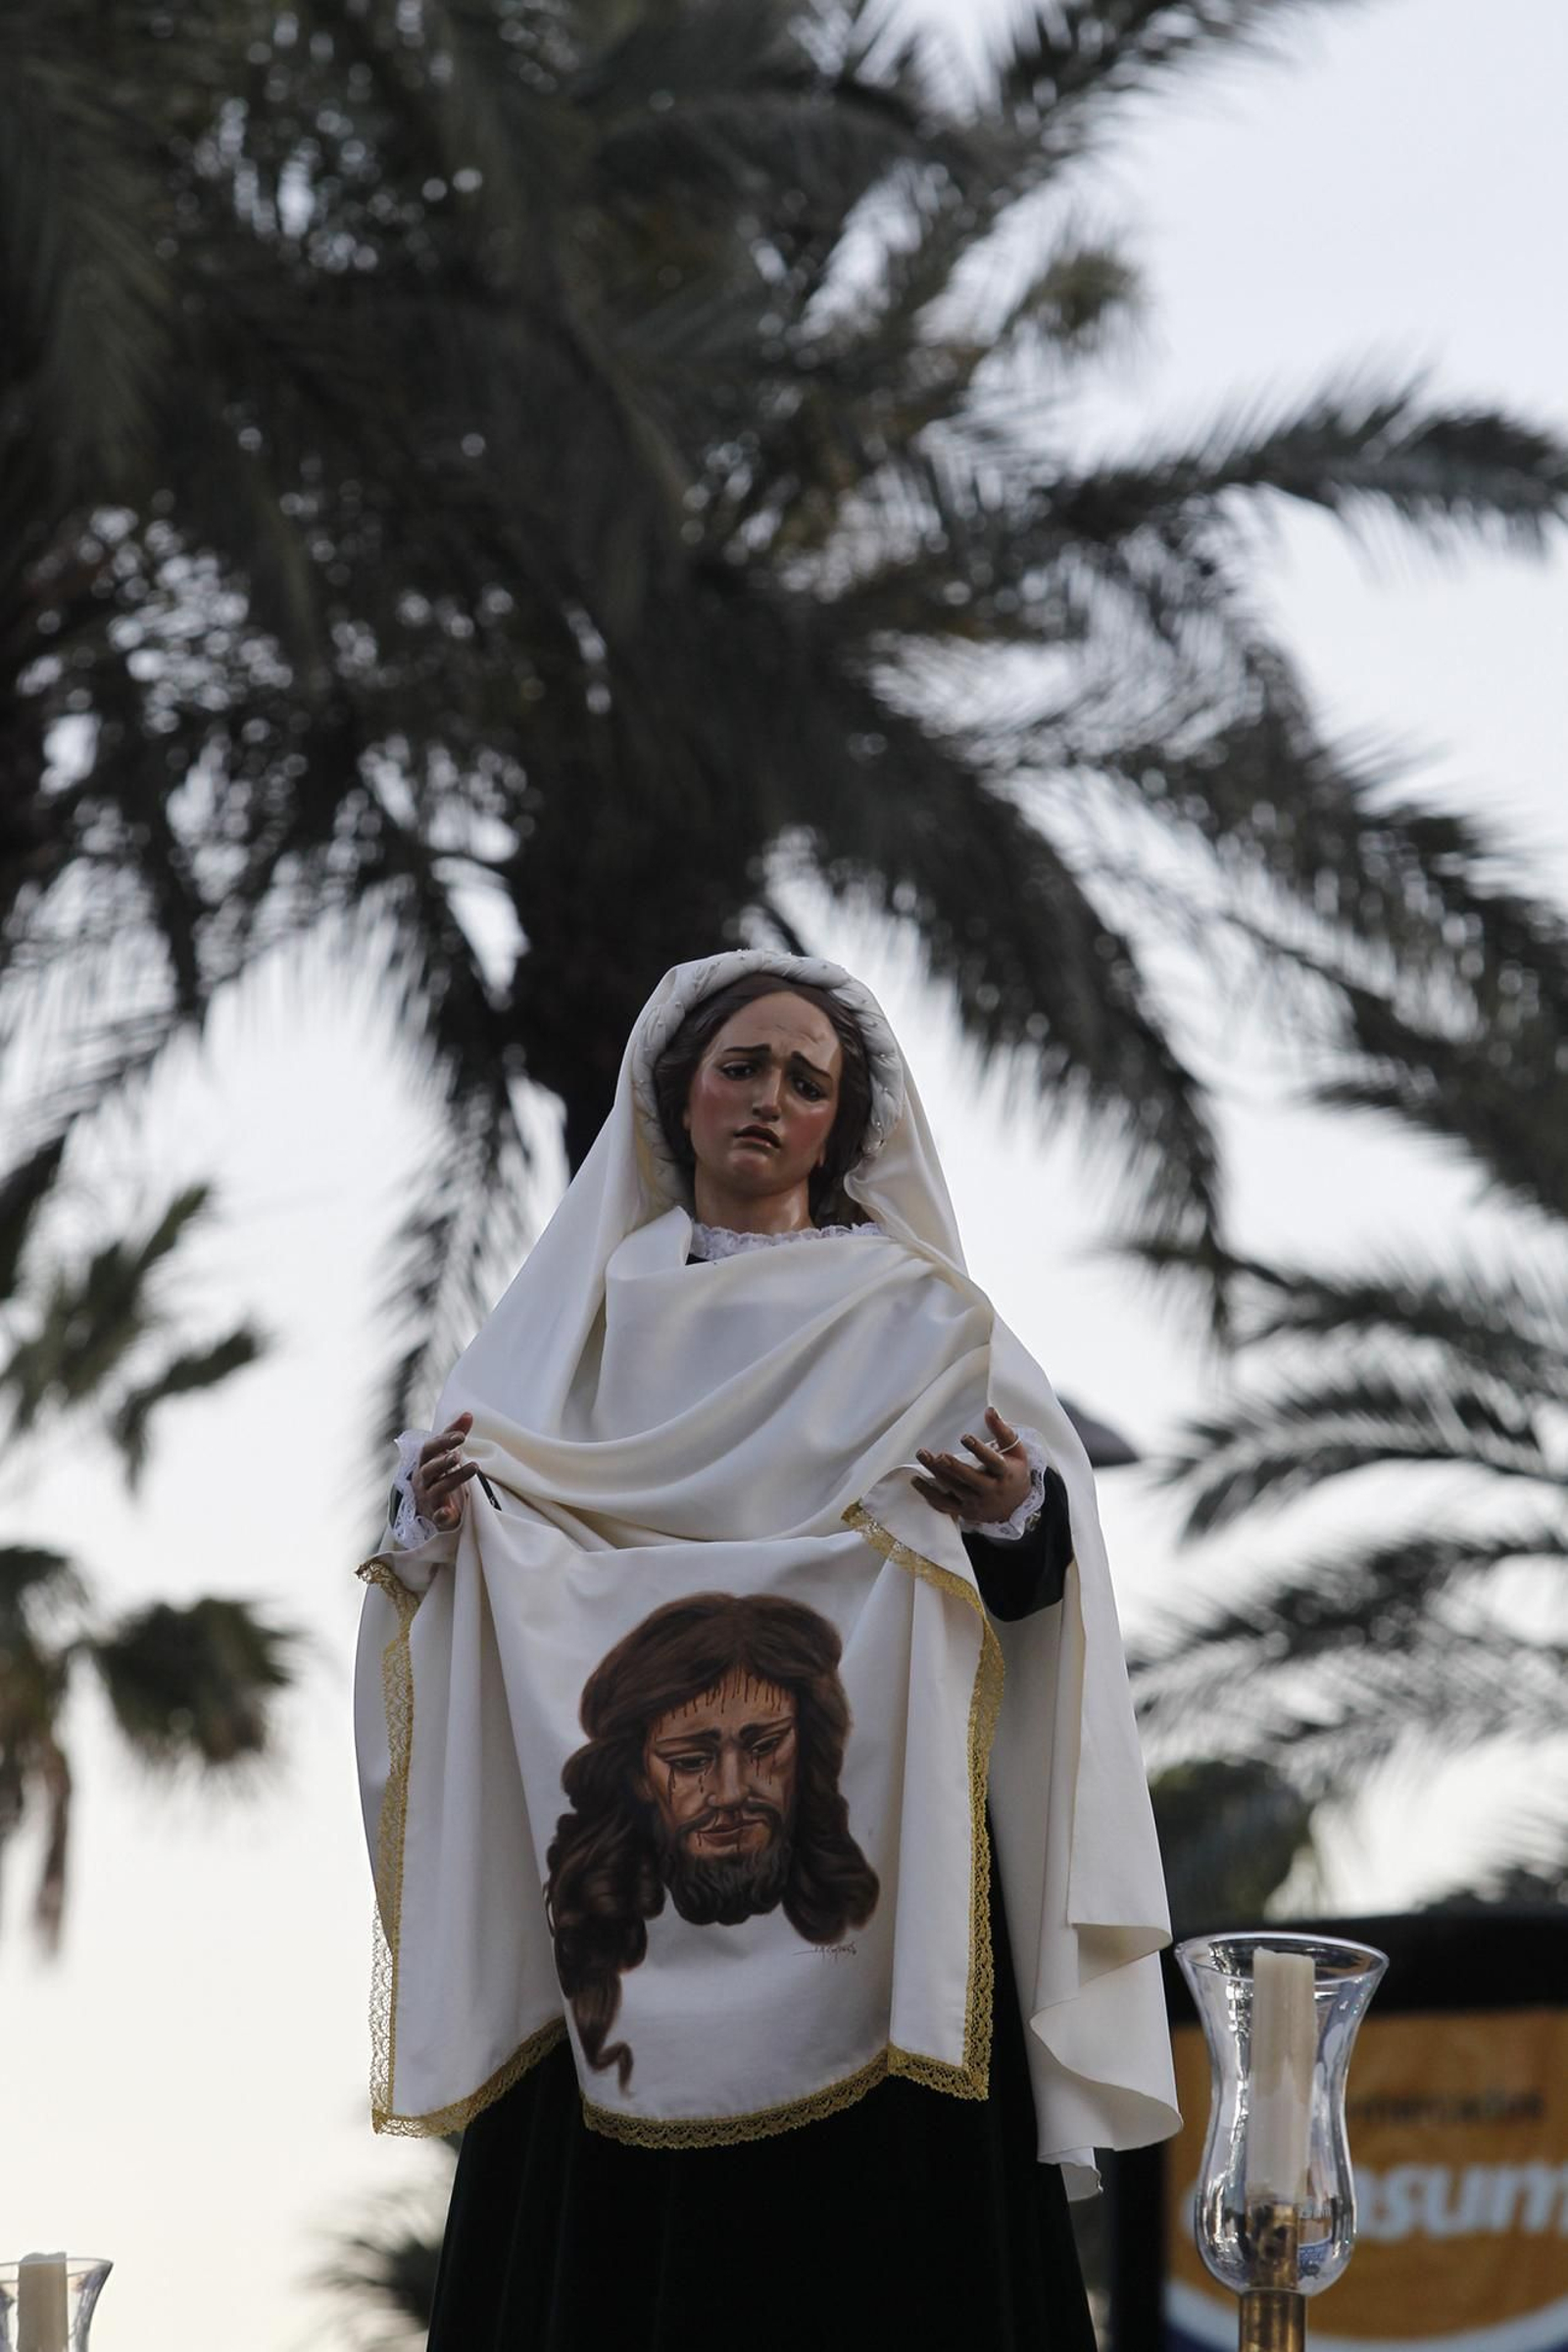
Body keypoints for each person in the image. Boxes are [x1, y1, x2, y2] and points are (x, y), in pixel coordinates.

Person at [354, 952, 1177, 2350]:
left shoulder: (919, 1323)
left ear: (844, 1124)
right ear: (674, 1096)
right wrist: (430, 1527)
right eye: (743, 1066)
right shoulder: (569, 1337)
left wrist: (1014, 1514)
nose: (771, 1099)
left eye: (810, 1079)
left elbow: (1042, 1574)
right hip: (615, 1898)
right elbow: (460, 1561)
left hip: (883, 1874)